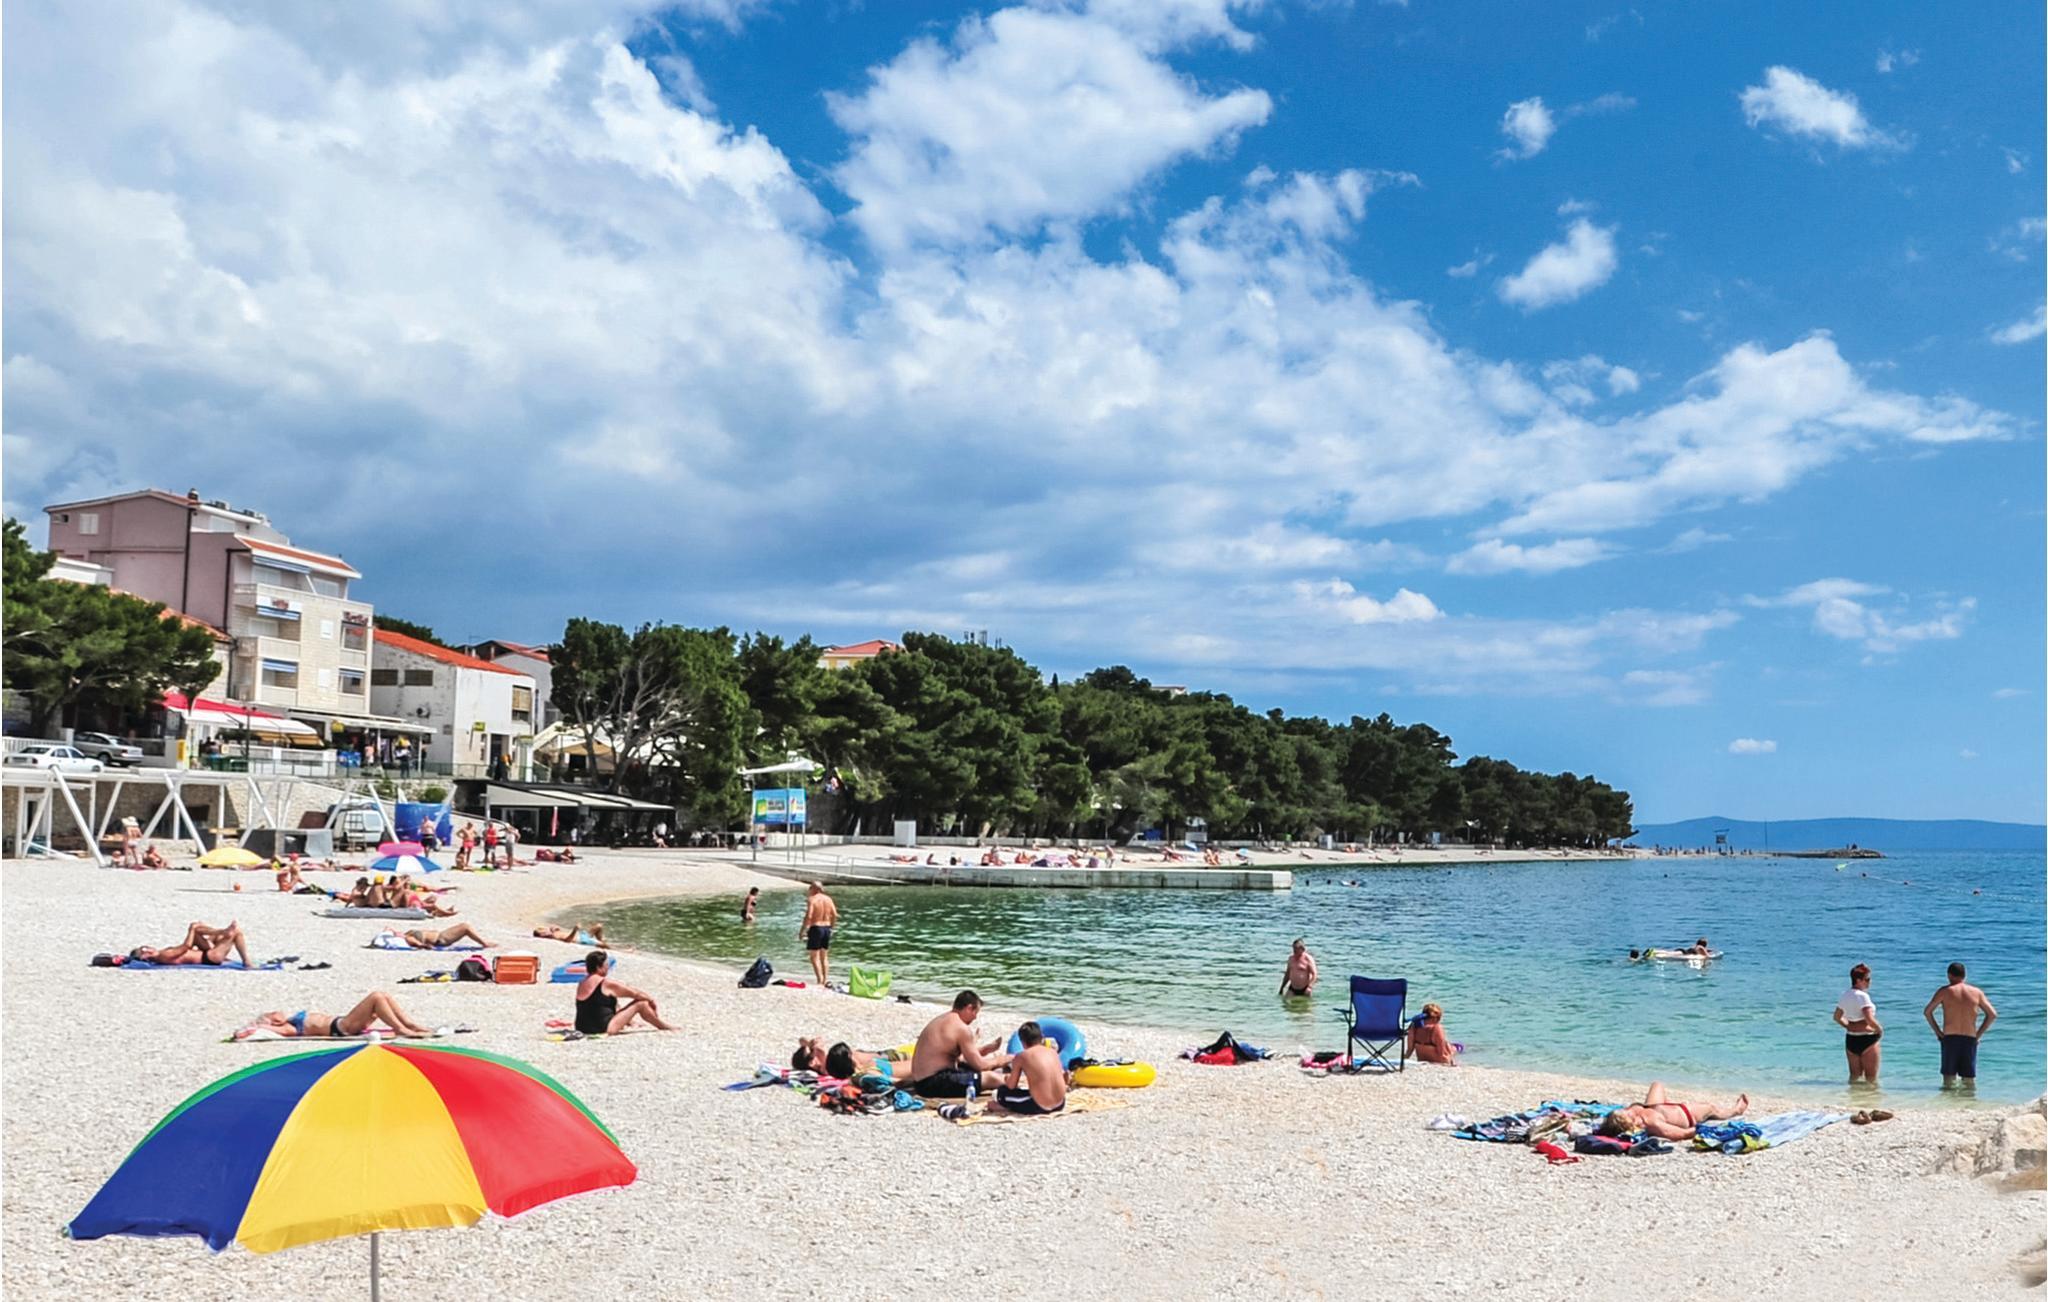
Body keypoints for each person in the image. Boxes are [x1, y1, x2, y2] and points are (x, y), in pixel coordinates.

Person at [907, 990, 1011, 1098]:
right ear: (969, 1008)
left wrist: (985, 1050)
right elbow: (981, 1066)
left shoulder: (941, 1019)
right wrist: (1000, 1060)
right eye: (975, 1013)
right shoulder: (961, 1028)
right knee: (990, 1078)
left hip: (921, 1082)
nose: (975, 1017)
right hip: (932, 1084)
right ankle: (1017, 1084)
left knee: (973, 1069)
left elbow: (957, 1057)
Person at [236, 992, 435, 1040]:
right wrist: (256, 1027)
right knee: (376, 997)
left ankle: (409, 1024)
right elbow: (258, 1030)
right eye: (272, 1014)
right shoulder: (289, 1027)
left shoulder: (290, 1020)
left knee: (383, 996)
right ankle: (401, 1029)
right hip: (341, 1028)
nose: (277, 1011)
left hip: (342, 1022)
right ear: (274, 1020)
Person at [1924, 962, 1996, 1089]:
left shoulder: (1945, 991)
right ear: (1964, 976)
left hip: (1950, 1038)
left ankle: (1948, 1101)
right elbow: (1992, 1015)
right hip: (1969, 1038)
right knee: (1968, 1080)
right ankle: (1968, 1100)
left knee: (1948, 1079)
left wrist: (1938, 1032)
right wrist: (1978, 1035)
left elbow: (1927, 1012)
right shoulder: (1976, 992)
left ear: (1949, 975)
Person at [1599, 1082, 1749, 1140]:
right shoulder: (1652, 1123)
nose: (1628, 1110)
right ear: (1631, 1122)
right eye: (1627, 1113)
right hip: (1686, 1114)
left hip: (1658, 1107)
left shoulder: (1635, 1113)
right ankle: (1736, 1111)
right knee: (1710, 1108)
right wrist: (1705, 1129)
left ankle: (1667, 1106)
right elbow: (1682, 1134)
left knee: (1657, 1085)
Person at [574, 951, 676, 1034]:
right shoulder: (605, 983)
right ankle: (663, 1026)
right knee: (641, 1003)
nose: (608, 968)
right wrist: (651, 1001)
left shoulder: (582, 982)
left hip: (581, 1027)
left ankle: (631, 1022)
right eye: (606, 965)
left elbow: (597, 1006)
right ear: (598, 967)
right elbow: (636, 994)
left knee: (610, 1001)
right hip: (601, 1028)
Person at [988, 1020, 1069, 1116]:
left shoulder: (1021, 1056)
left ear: (1022, 1042)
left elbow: (1011, 1086)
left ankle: (1004, 1107)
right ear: (1042, 1037)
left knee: (1002, 1093)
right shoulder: (1053, 1052)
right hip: (1060, 1103)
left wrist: (1007, 1079)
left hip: (1039, 1106)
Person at [1833, 962, 1882, 1084]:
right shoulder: (1862, 996)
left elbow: (1837, 1017)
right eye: (1867, 979)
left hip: (1851, 1038)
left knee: (1854, 1076)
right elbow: (1869, 1018)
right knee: (1871, 1078)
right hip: (1867, 1038)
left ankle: (1853, 1096)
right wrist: (1879, 1029)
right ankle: (1869, 1097)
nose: (1870, 982)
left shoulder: (1845, 995)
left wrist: (1848, 1026)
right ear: (1858, 980)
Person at [129, 920, 252, 967]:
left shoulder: (162, 954)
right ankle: (247, 962)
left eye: (145, 947)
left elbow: (189, 946)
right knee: (237, 932)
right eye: (145, 951)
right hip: (210, 958)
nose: (149, 949)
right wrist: (191, 930)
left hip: (206, 953)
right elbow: (186, 947)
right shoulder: (164, 955)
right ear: (144, 958)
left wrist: (194, 930)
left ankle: (223, 931)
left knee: (197, 929)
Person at [799, 882, 839, 985]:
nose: (809, 890)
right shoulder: (828, 899)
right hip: (827, 928)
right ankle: (825, 979)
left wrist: (802, 931)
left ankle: (819, 980)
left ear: (814, 889)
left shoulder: (812, 899)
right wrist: (832, 928)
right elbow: (835, 915)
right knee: (824, 956)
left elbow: (809, 916)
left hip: (816, 928)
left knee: (813, 957)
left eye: (810, 888)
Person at [400, 922, 494, 949]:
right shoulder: (407, 938)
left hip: (440, 935)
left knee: (464, 926)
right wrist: (424, 946)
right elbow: (417, 943)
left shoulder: (405, 935)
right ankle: (484, 943)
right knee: (465, 927)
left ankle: (484, 943)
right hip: (440, 939)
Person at [532, 922, 606, 946]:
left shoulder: (554, 932)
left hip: (581, 935)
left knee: (598, 926)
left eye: (545, 929)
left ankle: (601, 943)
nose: (546, 930)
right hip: (581, 940)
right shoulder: (555, 936)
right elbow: (568, 940)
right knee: (605, 945)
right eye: (544, 931)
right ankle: (603, 946)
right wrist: (574, 930)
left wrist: (555, 929)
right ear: (543, 936)